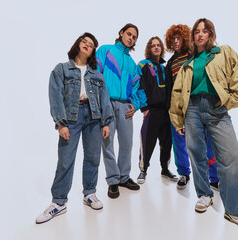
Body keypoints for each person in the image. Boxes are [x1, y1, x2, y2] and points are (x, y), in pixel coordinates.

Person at [169, 18, 238, 234]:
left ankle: (235, 211)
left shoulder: (223, 52)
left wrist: (228, 101)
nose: (200, 35)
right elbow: (177, 92)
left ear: (211, 34)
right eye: (197, 32)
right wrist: (178, 119)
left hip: (216, 108)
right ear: (193, 37)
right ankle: (204, 194)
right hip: (191, 110)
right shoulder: (187, 64)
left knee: (230, 158)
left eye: (205, 31)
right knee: (196, 154)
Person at [36, 33, 114, 224]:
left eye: (91, 44)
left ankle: (89, 193)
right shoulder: (61, 69)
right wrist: (61, 122)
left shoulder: (96, 74)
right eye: (84, 41)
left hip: (94, 117)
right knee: (65, 159)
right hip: (71, 117)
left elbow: (104, 99)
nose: (87, 45)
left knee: (93, 157)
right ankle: (59, 202)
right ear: (78, 44)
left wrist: (106, 122)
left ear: (93, 51)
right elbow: (55, 96)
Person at [164, 24, 219, 191]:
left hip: (197, 104)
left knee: (207, 142)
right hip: (178, 107)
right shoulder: (171, 62)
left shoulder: (194, 56)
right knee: (179, 142)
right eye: (172, 39)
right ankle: (184, 173)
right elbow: (169, 88)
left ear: (185, 39)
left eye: (178, 38)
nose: (175, 42)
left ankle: (215, 177)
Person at [96, 23, 143, 198]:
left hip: (125, 107)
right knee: (107, 143)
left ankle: (124, 177)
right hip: (107, 103)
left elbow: (137, 87)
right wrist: (100, 102)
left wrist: (135, 105)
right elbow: (95, 76)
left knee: (127, 143)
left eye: (134, 37)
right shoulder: (106, 51)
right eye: (129, 34)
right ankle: (113, 180)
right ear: (121, 33)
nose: (131, 38)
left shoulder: (132, 63)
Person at [135, 36, 177, 184]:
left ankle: (165, 169)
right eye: (153, 45)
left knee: (167, 142)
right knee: (147, 141)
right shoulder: (143, 65)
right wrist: (144, 108)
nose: (156, 47)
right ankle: (143, 170)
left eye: (158, 45)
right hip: (151, 110)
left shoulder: (165, 68)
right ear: (149, 48)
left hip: (166, 111)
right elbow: (139, 85)